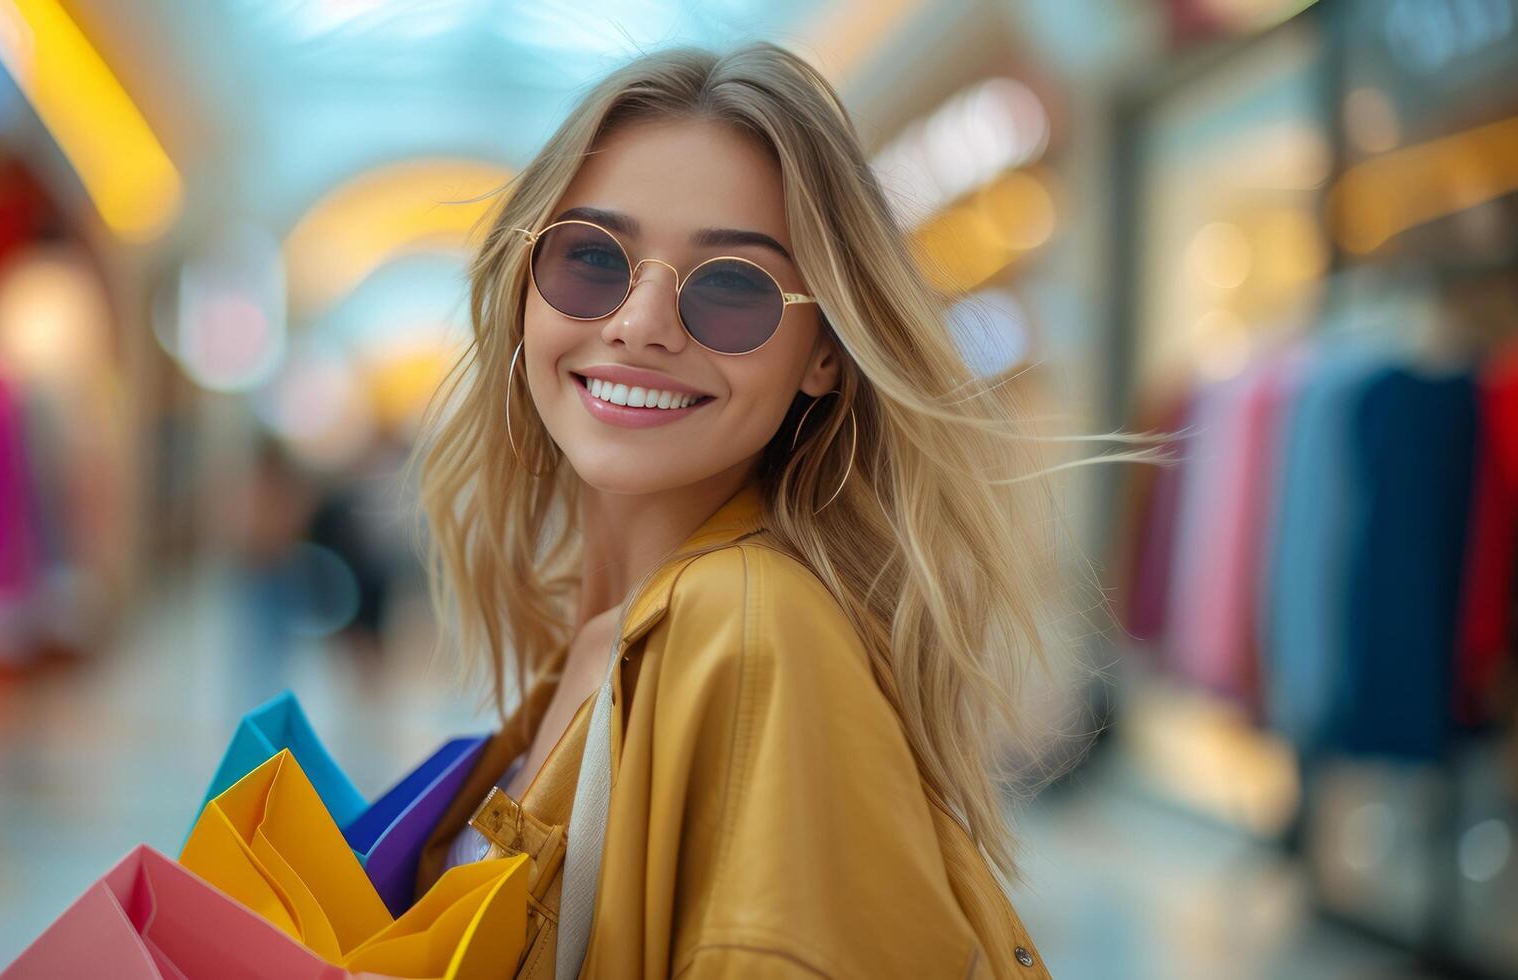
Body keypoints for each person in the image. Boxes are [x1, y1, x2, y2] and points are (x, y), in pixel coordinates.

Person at [404, 42, 1101, 979]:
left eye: (731, 288)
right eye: (590, 258)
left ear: (823, 351)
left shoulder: (752, 633)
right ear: (524, 284)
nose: (641, 323)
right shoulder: (614, 629)